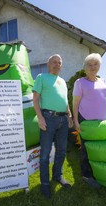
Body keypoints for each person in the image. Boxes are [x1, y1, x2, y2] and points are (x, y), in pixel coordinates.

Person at [33, 54, 73, 198]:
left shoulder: (62, 81)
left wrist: (69, 115)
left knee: (62, 150)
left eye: (59, 62)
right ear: (48, 64)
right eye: (54, 62)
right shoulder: (41, 77)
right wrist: (40, 118)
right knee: (45, 153)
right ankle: (45, 184)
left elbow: (65, 100)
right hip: (48, 118)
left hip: (63, 119)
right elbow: (35, 100)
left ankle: (57, 176)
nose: (57, 64)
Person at [72, 53, 106, 188]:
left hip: (103, 121)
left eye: (95, 64)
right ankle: (87, 175)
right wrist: (76, 121)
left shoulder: (103, 81)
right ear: (85, 68)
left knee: (101, 149)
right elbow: (75, 103)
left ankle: (101, 174)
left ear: (99, 66)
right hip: (86, 121)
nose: (93, 67)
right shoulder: (80, 82)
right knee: (87, 149)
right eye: (90, 65)